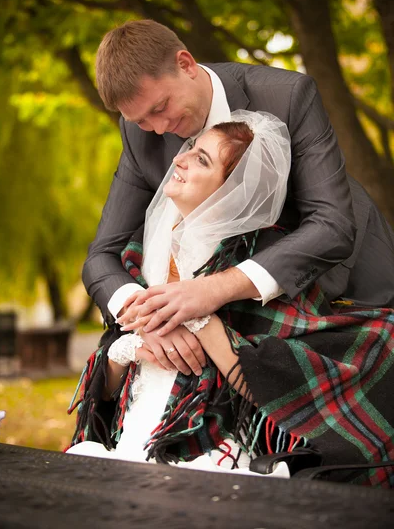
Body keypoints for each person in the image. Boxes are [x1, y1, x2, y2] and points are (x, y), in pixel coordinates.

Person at [68, 113, 394, 487]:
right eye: (191, 149)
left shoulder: (256, 269)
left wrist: (200, 318)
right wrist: (128, 349)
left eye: (202, 159)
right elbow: (107, 397)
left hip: (202, 449)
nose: (179, 159)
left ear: (232, 191)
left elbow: (268, 381)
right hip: (130, 440)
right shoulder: (140, 256)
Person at [84, 19, 394, 350]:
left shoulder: (288, 96)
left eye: (161, 108)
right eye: (141, 120)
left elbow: (331, 225)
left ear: (185, 65)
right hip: (230, 322)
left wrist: (212, 290)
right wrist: (150, 320)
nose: (158, 129)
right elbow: (102, 254)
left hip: (346, 284)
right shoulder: (138, 131)